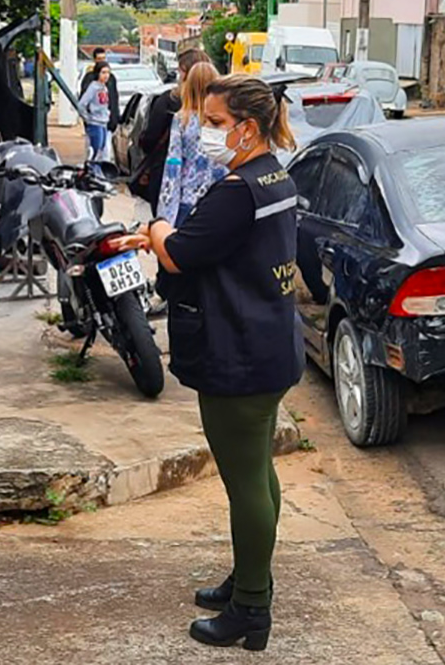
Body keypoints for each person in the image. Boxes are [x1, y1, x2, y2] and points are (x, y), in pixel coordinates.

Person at [132, 74, 302, 652]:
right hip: (270, 344)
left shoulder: (238, 190)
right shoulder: (273, 173)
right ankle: (250, 578)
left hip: (240, 354)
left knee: (245, 479)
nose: (205, 133)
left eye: (214, 123)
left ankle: (252, 609)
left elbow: (180, 253)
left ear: (247, 128)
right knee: (257, 472)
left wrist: (156, 231)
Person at [133, 48, 212, 217]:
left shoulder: (171, 103)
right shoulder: (221, 107)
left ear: (186, 74)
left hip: (166, 176)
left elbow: (150, 138)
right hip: (209, 188)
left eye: (180, 70)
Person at [158, 61, 223, 228]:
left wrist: (165, 217)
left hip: (188, 199)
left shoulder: (182, 119)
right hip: (219, 198)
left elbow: (173, 165)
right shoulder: (224, 121)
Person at [79, 62, 113, 169]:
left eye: (108, 72)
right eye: (103, 72)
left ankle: (97, 173)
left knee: (101, 151)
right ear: (98, 73)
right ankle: (91, 172)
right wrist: (88, 118)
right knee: (95, 150)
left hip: (103, 122)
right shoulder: (93, 87)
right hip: (95, 123)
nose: (106, 75)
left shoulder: (104, 88)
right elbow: (81, 104)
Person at [80, 47, 120, 138]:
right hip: (95, 122)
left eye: (103, 59)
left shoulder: (111, 79)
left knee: (106, 148)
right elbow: (83, 102)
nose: (102, 61)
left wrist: (115, 118)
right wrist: (88, 119)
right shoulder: (90, 80)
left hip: (107, 122)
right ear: (94, 60)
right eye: (99, 59)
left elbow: (114, 99)